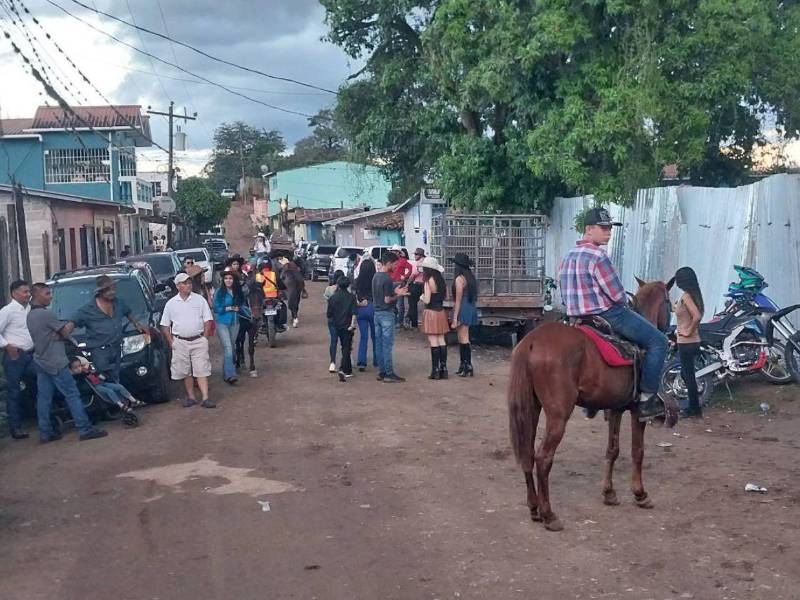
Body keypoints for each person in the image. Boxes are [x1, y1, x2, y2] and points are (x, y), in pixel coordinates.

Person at [558, 207, 667, 419]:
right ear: (588, 229)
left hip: (577, 320)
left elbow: (563, 296)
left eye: (610, 228)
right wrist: (626, 302)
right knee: (658, 341)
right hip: (608, 315)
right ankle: (647, 399)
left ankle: (590, 403)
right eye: (603, 228)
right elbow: (617, 295)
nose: (608, 232)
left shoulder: (568, 256)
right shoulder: (599, 256)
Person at [26, 283, 107, 443]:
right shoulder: (45, 314)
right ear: (38, 295)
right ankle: (85, 428)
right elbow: (64, 332)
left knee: (44, 398)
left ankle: (45, 432)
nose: (50, 296)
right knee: (72, 394)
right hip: (56, 361)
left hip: (41, 361)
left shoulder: (30, 315)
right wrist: (71, 323)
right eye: (47, 294)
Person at [72, 275, 148, 383]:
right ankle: (111, 398)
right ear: (100, 292)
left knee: (115, 378)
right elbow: (73, 322)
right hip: (99, 351)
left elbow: (128, 312)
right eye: (108, 290)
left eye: (113, 288)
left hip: (116, 348)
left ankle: (118, 398)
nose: (112, 292)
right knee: (104, 379)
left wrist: (137, 324)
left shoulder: (119, 303)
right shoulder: (87, 310)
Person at [160, 272, 216, 408]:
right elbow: (164, 325)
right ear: (178, 286)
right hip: (180, 341)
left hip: (198, 339)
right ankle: (191, 397)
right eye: (185, 283)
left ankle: (205, 397)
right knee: (186, 371)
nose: (188, 285)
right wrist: (171, 342)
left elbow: (208, 319)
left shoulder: (199, 300)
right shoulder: (171, 304)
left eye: (189, 283)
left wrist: (205, 338)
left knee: (201, 369)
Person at [0, 280, 35, 439]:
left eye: (29, 291)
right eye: (24, 291)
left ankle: (34, 418)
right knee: (14, 391)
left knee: (37, 382)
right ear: (14, 293)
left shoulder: (30, 309)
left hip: (31, 354)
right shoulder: (8, 311)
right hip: (15, 357)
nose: (28, 294)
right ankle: (16, 427)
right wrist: (7, 346)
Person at [372, 253, 409, 382]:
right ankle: (388, 373)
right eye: (394, 264)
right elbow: (387, 300)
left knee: (379, 343)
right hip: (386, 314)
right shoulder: (387, 279)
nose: (396, 266)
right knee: (387, 345)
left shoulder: (376, 276)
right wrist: (398, 295)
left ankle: (382, 372)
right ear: (388, 263)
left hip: (376, 313)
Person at [673, 267, 704, 418]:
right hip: (692, 341)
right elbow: (689, 314)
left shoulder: (686, 296)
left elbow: (696, 316)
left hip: (686, 341)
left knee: (688, 375)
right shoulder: (694, 295)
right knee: (687, 374)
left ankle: (694, 408)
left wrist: (687, 331)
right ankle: (694, 405)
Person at [69, 356, 143, 409]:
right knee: (109, 391)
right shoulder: (78, 376)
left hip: (102, 383)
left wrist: (101, 376)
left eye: (79, 366)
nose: (79, 369)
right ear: (71, 370)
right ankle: (120, 404)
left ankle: (133, 400)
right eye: (76, 368)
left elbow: (95, 374)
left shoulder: (86, 370)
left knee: (119, 387)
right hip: (97, 387)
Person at [449, 253, 479, 377]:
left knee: (463, 338)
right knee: (464, 337)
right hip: (470, 306)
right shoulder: (471, 278)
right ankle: (465, 365)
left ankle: (466, 365)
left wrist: (455, 318)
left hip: (463, 307)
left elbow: (458, 300)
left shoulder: (459, 279)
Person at [420, 257, 450, 379]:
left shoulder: (428, 281)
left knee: (433, 340)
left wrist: (422, 297)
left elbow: (427, 299)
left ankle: (435, 370)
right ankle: (444, 368)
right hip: (441, 311)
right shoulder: (441, 281)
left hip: (431, 312)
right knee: (441, 339)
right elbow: (446, 296)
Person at [214, 270, 244, 385]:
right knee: (228, 348)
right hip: (222, 323)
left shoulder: (238, 292)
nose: (228, 280)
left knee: (231, 347)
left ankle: (226, 372)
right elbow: (216, 308)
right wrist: (229, 308)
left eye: (230, 278)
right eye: (226, 278)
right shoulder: (219, 292)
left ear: (234, 280)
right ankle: (230, 375)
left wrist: (239, 308)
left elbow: (242, 305)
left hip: (235, 322)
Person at [327, 276, 358, 381]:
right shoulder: (352, 297)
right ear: (349, 285)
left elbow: (329, 314)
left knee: (339, 345)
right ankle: (343, 369)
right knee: (346, 348)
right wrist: (352, 324)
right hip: (347, 326)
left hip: (336, 325)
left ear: (338, 285)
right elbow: (354, 312)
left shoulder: (333, 298)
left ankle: (346, 369)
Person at [354, 258, 378, 372]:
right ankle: (377, 360)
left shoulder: (356, 281)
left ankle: (361, 362)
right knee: (375, 336)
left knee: (363, 336)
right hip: (373, 308)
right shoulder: (375, 280)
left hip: (361, 308)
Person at [324, 270, 345, 372]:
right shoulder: (347, 291)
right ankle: (346, 361)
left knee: (333, 341)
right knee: (345, 342)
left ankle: (332, 363)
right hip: (344, 319)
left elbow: (327, 301)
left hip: (332, 318)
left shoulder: (328, 289)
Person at [390, 245, 413, 328]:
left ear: (399, 252)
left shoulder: (403, 260)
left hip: (399, 282)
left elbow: (410, 268)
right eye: (393, 251)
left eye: (395, 251)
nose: (393, 252)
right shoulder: (391, 260)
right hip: (391, 282)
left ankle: (400, 322)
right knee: (392, 303)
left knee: (400, 304)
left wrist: (405, 276)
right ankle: (395, 320)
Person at [278, 256, 305, 328]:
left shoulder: (281, 260)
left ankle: (279, 289)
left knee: (280, 277)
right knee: (300, 279)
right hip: (296, 274)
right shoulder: (293, 262)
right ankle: (304, 290)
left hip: (286, 276)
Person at [407, 248, 426, 329]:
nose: (414, 256)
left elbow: (412, 275)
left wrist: (407, 284)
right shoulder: (426, 262)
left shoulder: (417, 264)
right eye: (414, 254)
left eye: (416, 254)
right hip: (424, 285)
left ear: (420, 255)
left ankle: (413, 323)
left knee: (412, 304)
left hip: (416, 285)